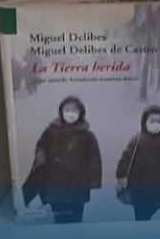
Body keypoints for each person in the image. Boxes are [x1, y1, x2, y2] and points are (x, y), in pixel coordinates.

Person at [25, 96, 102, 224]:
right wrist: (41, 159)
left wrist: (94, 181)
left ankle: (74, 232)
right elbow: (41, 146)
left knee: (75, 216)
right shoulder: (51, 131)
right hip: (55, 182)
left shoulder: (87, 135)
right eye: (67, 110)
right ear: (61, 111)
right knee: (59, 214)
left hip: (77, 184)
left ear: (81, 113)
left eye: (74, 111)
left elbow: (94, 158)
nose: (70, 114)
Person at [116, 105, 160, 221]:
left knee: (153, 206)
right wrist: (121, 176)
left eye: (159, 121)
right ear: (144, 122)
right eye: (152, 121)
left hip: (158, 183)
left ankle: (147, 219)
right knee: (140, 209)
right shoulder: (137, 140)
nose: (156, 124)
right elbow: (126, 159)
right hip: (138, 183)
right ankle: (142, 223)